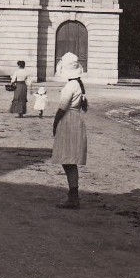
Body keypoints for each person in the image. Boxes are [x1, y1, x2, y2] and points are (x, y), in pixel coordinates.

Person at [52, 52, 88, 210]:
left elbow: (62, 107)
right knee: (69, 159)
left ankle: (73, 197)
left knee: (68, 159)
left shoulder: (70, 85)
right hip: (74, 120)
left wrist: (55, 123)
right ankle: (73, 195)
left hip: (68, 121)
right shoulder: (78, 84)